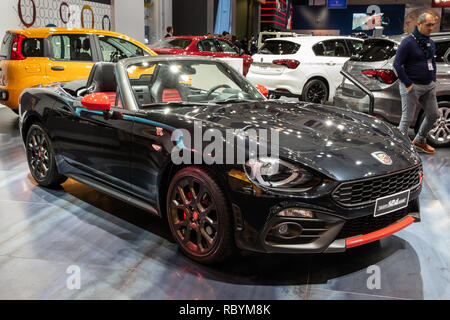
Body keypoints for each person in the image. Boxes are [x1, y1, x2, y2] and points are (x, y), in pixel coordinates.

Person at [393, 13, 440, 154]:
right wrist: (407, 84)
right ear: (419, 24)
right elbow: (397, 64)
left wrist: (433, 78)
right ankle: (399, 149)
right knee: (407, 119)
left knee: (434, 114)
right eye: (428, 25)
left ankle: (420, 140)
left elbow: (432, 61)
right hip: (412, 85)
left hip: (429, 85)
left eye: (433, 25)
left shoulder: (430, 42)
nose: (431, 28)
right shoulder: (408, 42)